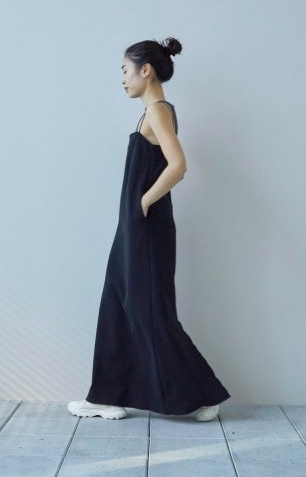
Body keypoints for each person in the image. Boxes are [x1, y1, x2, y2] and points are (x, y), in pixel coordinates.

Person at [68, 37, 231, 422]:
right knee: (117, 305)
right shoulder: (152, 113)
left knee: (150, 313)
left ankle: (205, 395)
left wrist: (142, 202)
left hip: (145, 228)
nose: (122, 79)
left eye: (126, 70)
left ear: (146, 70)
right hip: (134, 227)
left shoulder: (158, 111)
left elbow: (179, 165)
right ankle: (107, 396)